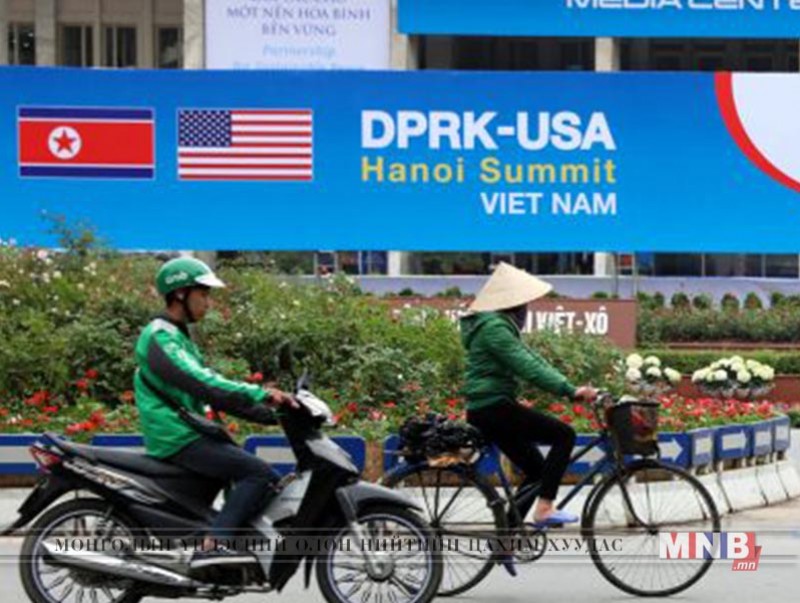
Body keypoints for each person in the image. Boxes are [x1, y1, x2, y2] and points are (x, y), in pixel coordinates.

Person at [134, 256, 296, 571]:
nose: (208, 303)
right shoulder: (159, 336)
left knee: (267, 480)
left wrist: (271, 414)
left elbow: (213, 394)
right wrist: (260, 393)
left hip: (189, 431)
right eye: (203, 294)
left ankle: (231, 545)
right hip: (176, 436)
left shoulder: (177, 336)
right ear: (180, 293)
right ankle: (214, 548)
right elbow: (202, 382)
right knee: (258, 474)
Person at [461, 262, 597, 528]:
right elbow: (527, 366)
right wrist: (569, 391)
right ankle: (544, 509)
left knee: (536, 471)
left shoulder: (496, 325)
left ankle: (508, 535)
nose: (526, 308)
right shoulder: (494, 328)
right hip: (492, 409)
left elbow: (533, 359)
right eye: (524, 303)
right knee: (564, 435)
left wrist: (569, 386)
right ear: (511, 302)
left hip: (491, 407)